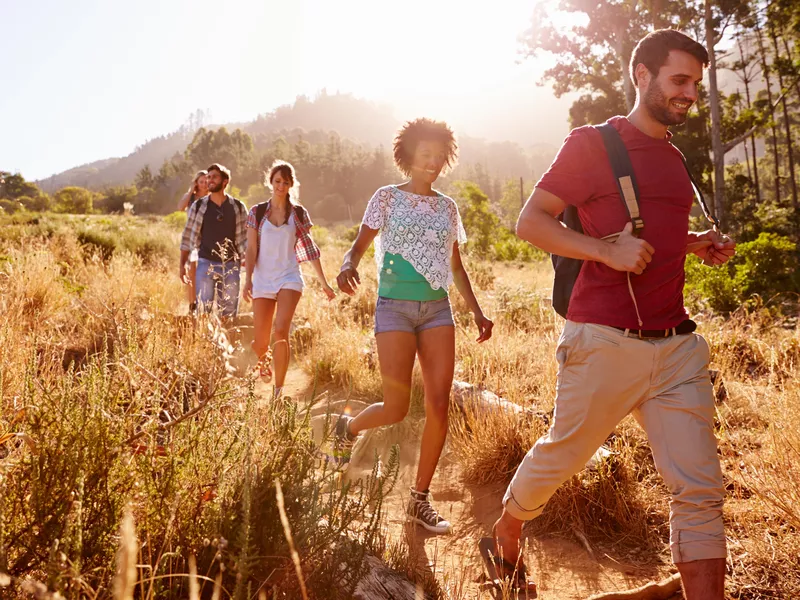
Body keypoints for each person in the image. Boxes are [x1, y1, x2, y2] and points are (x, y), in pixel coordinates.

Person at [486, 30, 736, 598]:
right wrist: (604, 250)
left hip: (677, 349)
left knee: (700, 491)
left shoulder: (674, 157)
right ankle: (507, 525)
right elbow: (530, 222)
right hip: (603, 340)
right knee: (563, 453)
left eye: (696, 84)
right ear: (641, 76)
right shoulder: (591, 144)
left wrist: (695, 243)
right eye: (679, 80)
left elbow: (652, 232)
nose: (689, 94)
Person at [335, 118, 494, 535]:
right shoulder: (386, 198)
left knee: (439, 404)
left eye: (440, 157)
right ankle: (346, 427)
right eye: (425, 155)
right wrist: (348, 265)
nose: (433, 163)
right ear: (408, 156)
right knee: (397, 406)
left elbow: (455, 266)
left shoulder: (447, 207)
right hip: (394, 310)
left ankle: (418, 500)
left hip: (438, 310)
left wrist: (477, 310)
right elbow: (359, 245)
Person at [243, 160, 335, 399]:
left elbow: (310, 249)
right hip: (263, 279)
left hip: (289, 277)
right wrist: (248, 280)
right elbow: (251, 249)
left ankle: (278, 391)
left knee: (281, 330)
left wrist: (324, 283)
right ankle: (263, 361)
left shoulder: (298, 213)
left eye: (285, 182)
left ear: (290, 185)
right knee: (260, 341)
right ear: (270, 182)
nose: (280, 186)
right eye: (276, 181)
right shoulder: (257, 212)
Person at [179, 163, 248, 320]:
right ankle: (204, 343)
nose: (210, 180)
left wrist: (246, 260)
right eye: (208, 177)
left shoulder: (238, 207)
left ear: (225, 182)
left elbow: (245, 239)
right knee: (203, 311)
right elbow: (187, 237)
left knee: (228, 313)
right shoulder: (198, 206)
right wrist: (182, 265)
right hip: (205, 264)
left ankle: (226, 342)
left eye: (214, 177)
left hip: (231, 266)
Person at [178, 170, 208, 313]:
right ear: (196, 182)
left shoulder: (211, 198)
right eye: (200, 181)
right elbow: (180, 207)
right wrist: (191, 191)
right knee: (192, 270)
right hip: (192, 237)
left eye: (206, 181)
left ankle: (205, 303)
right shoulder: (191, 198)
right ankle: (192, 304)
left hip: (207, 237)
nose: (203, 184)